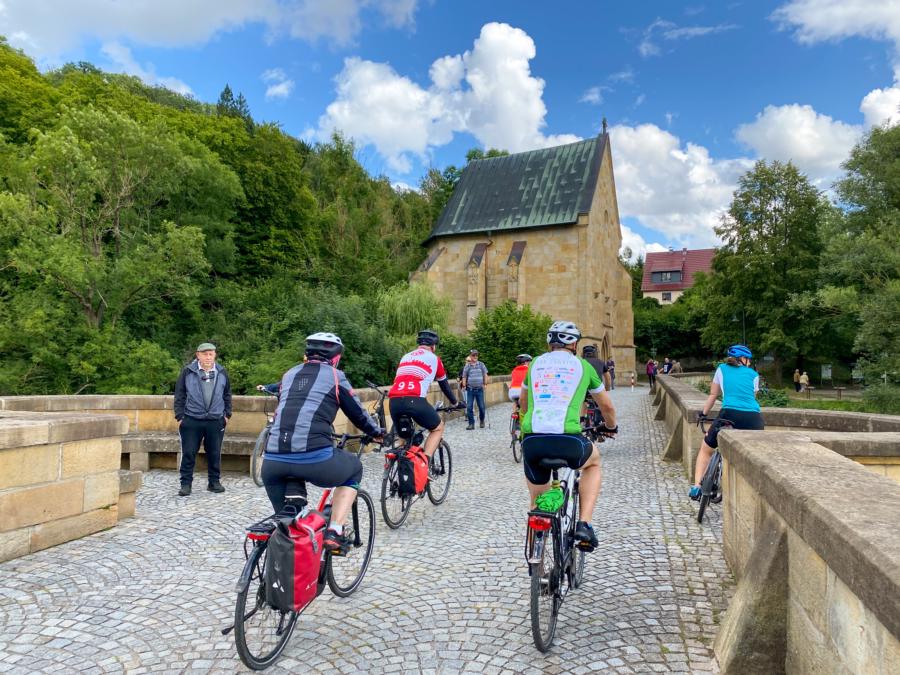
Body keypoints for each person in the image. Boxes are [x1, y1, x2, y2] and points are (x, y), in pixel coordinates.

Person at [262, 332, 384, 554]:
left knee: (287, 526)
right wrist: (376, 432)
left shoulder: (289, 374)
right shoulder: (336, 376)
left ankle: (282, 575)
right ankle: (335, 531)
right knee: (354, 469)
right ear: (336, 357)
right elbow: (357, 413)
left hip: (272, 462)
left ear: (306, 354)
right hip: (314, 458)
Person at [520, 321, 618, 551]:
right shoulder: (583, 366)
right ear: (574, 343)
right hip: (568, 440)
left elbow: (523, 403)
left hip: (533, 441)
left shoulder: (534, 364)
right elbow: (607, 407)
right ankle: (584, 524)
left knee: (537, 502)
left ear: (549, 342)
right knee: (593, 462)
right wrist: (610, 427)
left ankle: (535, 557)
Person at [689, 345, 765, 500]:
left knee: (706, 449)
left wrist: (703, 414)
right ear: (742, 359)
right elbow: (751, 398)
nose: (749, 362)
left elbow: (713, 395)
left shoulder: (721, 369)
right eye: (748, 359)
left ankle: (697, 487)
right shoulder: (754, 374)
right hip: (754, 418)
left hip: (729, 414)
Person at [388, 329, 460, 458]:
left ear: (419, 344)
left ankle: (400, 465)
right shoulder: (434, 358)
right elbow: (444, 385)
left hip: (394, 401)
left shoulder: (405, 356)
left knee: (404, 438)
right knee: (438, 428)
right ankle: (424, 462)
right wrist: (455, 403)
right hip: (415, 400)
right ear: (433, 346)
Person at [174, 342, 232, 497]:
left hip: (215, 420)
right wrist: (180, 417)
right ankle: (186, 484)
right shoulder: (188, 372)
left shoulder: (221, 372)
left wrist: (227, 415)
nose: (208, 357)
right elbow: (179, 395)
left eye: (211, 354)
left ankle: (214, 482)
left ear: (215, 355)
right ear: (197, 355)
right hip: (192, 419)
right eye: (204, 354)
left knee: (214, 452)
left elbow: (227, 395)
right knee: (189, 453)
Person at [462, 349, 489, 430]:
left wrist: (485, 383)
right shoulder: (467, 366)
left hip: (480, 389)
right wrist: (464, 385)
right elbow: (464, 376)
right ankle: (471, 424)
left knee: (481, 407)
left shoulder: (481, 364)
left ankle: (481, 420)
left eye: (476, 355)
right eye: (473, 355)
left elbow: (485, 374)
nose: (475, 357)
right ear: (470, 356)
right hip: (470, 389)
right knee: (469, 407)